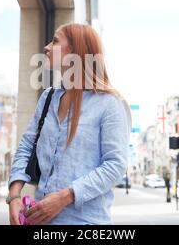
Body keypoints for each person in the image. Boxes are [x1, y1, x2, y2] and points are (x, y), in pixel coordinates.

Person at [7, 23, 131, 225]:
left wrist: (65, 196)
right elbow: (27, 146)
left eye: (55, 41)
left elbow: (115, 166)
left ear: (76, 52)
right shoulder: (48, 98)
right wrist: (14, 196)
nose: (46, 47)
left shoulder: (109, 104)